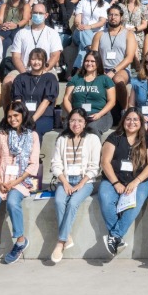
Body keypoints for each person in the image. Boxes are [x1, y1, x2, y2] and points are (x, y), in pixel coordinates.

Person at [0, 104, 42, 265]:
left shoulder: (33, 136)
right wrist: (0, 182)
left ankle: (21, 241)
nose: (12, 119)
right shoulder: (1, 135)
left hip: (20, 180)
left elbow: (33, 165)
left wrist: (13, 183)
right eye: (9, 116)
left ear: (23, 115)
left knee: (13, 202)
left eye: (16, 115)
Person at [98, 108, 148, 258]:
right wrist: (116, 182)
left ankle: (115, 235)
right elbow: (105, 163)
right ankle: (117, 237)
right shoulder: (114, 137)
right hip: (114, 178)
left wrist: (136, 182)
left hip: (140, 180)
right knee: (105, 199)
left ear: (141, 122)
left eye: (136, 120)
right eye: (128, 119)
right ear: (123, 121)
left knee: (135, 202)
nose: (132, 123)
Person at [48, 108, 102, 263]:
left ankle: (60, 242)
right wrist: (64, 182)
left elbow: (94, 167)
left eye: (79, 120)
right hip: (64, 179)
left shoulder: (93, 139)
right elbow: (56, 164)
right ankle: (67, 237)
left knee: (72, 203)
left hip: (85, 181)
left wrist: (80, 184)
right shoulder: (62, 139)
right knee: (59, 201)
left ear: (85, 123)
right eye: (72, 120)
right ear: (68, 122)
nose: (76, 124)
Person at [62, 47, 116, 137]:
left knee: (92, 128)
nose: (89, 63)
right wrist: (73, 114)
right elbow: (66, 98)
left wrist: (99, 114)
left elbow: (112, 101)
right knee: (71, 126)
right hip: (78, 114)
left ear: (98, 63)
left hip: (100, 115)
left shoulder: (105, 79)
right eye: (87, 61)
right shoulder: (76, 78)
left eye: (92, 61)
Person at [6, 47, 59, 136]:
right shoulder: (21, 78)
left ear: (44, 61)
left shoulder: (50, 78)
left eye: (39, 59)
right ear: (29, 61)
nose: (36, 62)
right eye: (33, 59)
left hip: (43, 117)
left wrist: (32, 119)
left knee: (34, 129)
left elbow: (46, 102)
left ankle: (34, 150)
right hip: (22, 116)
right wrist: (21, 118)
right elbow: (17, 101)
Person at [8, 0, 63, 75]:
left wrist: (44, 71)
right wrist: (24, 73)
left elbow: (55, 55)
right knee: (8, 81)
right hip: (23, 70)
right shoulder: (21, 33)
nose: (37, 15)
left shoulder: (53, 33)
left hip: (46, 70)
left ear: (46, 15)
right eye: (35, 12)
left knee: (52, 81)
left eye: (40, 13)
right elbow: (16, 56)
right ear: (31, 14)